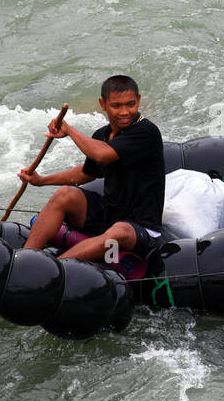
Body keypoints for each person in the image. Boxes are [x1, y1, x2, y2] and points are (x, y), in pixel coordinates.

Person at [18, 75, 165, 264]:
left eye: (131, 104)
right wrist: (41, 181)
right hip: (108, 216)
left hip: (140, 228)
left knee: (120, 230)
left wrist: (69, 130)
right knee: (65, 194)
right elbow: (86, 173)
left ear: (139, 100)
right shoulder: (102, 135)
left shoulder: (146, 131)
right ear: (102, 104)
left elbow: (102, 155)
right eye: (116, 106)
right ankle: (24, 259)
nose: (125, 112)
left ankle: (53, 268)